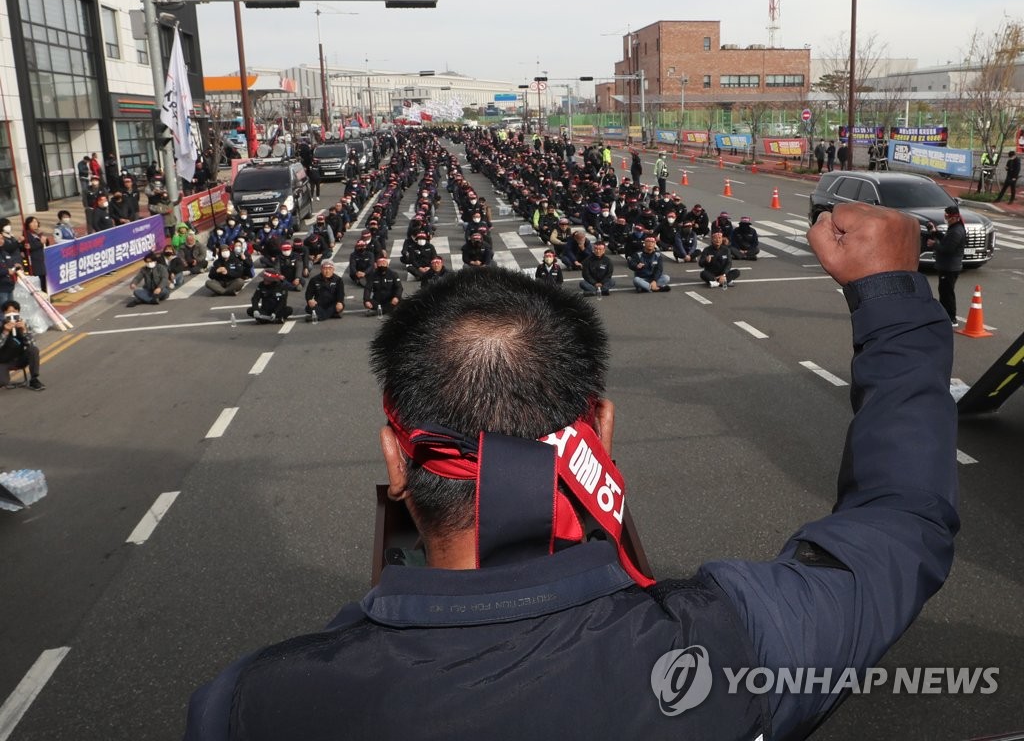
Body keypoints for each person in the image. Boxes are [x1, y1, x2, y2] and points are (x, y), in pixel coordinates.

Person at [185, 203, 959, 739]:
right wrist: (888, 295)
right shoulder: (732, 643)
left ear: (396, 457)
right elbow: (900, 518)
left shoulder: (252, 706)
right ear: (602, 436)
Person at [926, 205, 967, 325]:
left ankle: (951, 318)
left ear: (954, 217)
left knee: (947, 293)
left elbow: (947, 248)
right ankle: (946, 316)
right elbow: (947, 240)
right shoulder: (954, 228)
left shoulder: (956, 231)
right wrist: (936, 232)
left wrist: (934, 244)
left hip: (949, 267)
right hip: (948, 266)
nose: (946, 218)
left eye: (947, 216)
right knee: (944, 291)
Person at [0, 301, 44, 390]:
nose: (12, 314)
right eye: (8, 312)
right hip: (3, 361)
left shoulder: (23, 324)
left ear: (18, 312)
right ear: (4, 313)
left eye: (14, 311)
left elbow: (32, 344)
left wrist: (24, 330)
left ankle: (34, 379)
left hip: (20, 359)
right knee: (2, 382)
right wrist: (5, 332)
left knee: (33, 350)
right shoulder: (1, 325)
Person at [20, 216, 52, 292]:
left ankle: (45, 295)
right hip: (34, 261)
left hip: (41, 259)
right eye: (32, 222)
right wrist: (41, 243)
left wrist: (45, 241)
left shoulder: (38, 233)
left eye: (36, 222)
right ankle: (42, 296)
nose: (35, 224)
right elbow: (29, 247)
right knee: (39, 281)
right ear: (28, 224)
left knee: (44, 279)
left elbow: (45, 243)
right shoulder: (26, 234)